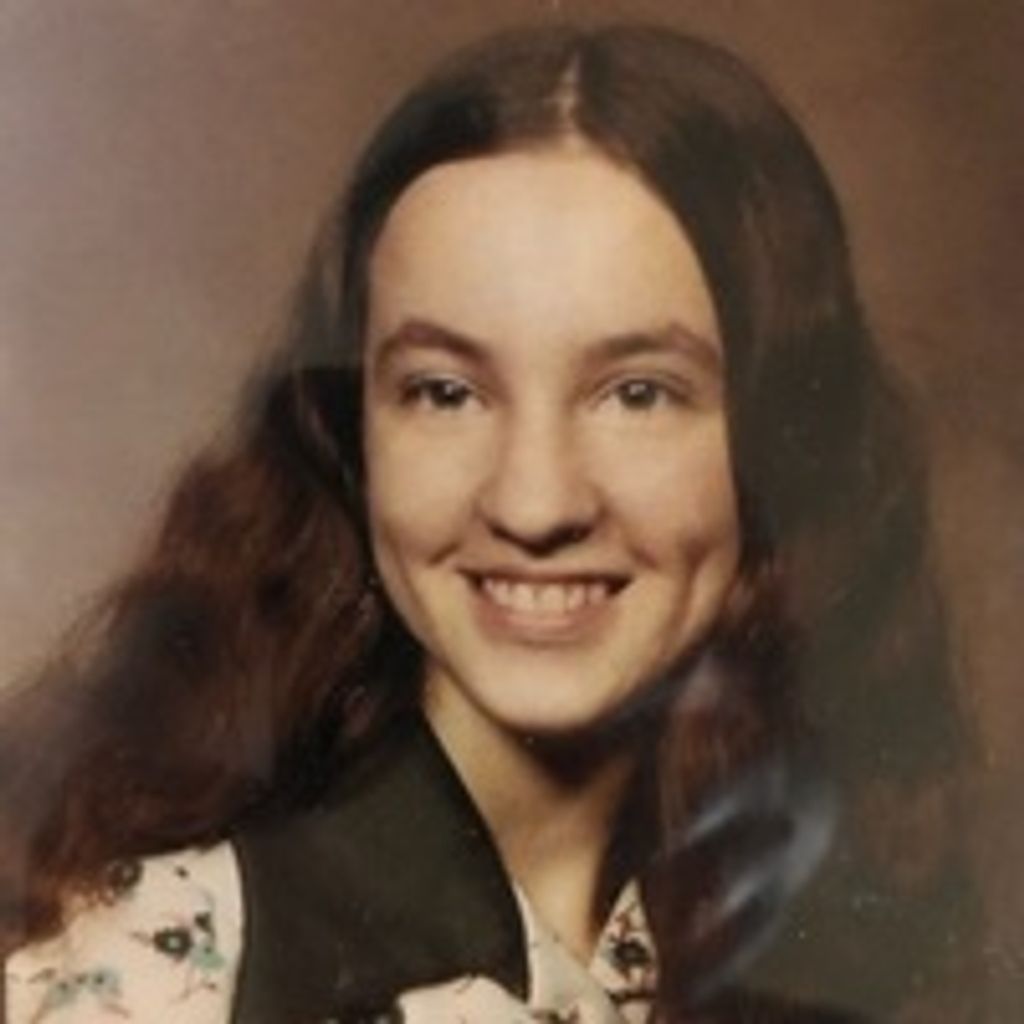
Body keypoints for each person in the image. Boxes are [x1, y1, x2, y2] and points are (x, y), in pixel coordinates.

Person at [0, 22, 963, 1024]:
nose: (534, 504)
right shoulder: (150, 972)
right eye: (446, 391)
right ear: (352, 431)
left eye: (637, 393)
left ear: (776, 440)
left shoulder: (819, 947)